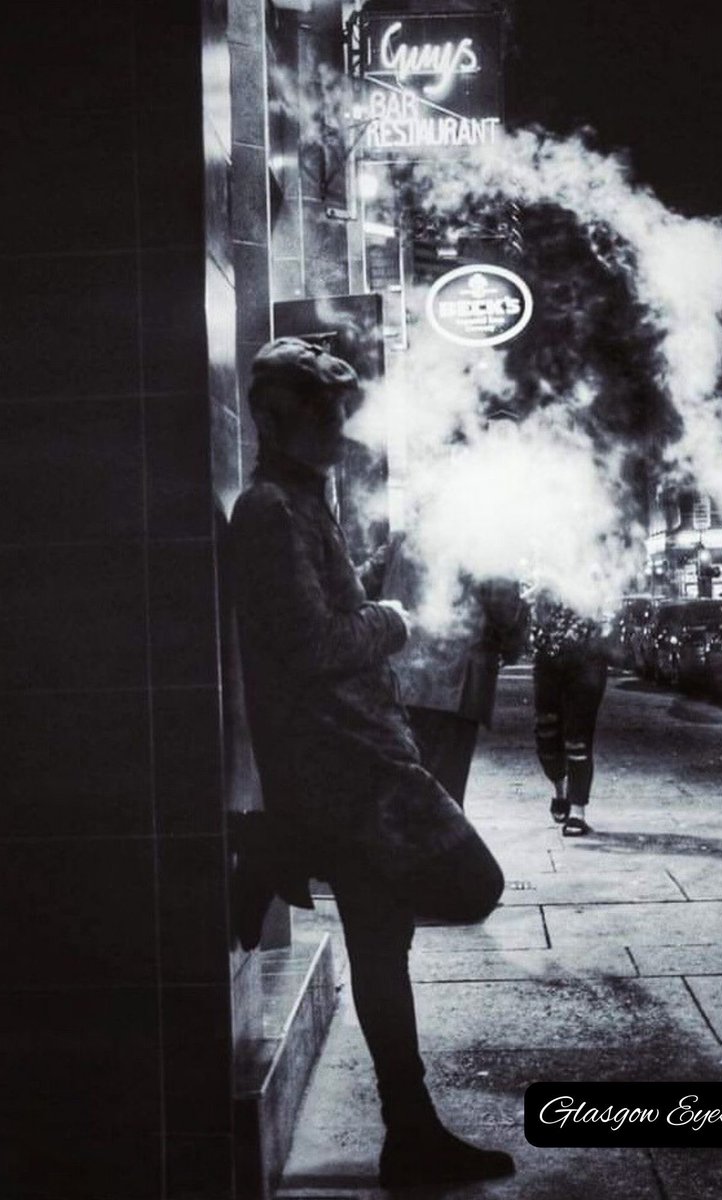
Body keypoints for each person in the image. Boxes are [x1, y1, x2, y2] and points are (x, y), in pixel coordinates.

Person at [228, 337, 514, 1189]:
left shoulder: (307, 502)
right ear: (282, 419)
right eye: (325, 414)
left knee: (383, 949)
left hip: (359, 764)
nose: (341, 429)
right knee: (473, 885)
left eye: (340, 413)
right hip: (349, 773)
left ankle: (412, 1130)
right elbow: (313, 644)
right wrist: (392, 618)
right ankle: (280, 843)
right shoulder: (272, 509)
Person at [372, 537, 529, 807]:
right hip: (455, 688)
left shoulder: (401, 540)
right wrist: (514, 643)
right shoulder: (483, 538)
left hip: (401, 681)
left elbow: (359, 585)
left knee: (407, 789)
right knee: (446, 795)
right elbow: (503, 606)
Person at [531, 590, 609, 836]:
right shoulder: (542, 570)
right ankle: (560, 791)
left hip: (587, 662)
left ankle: (577, 810)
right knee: (547, 734)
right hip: (547, 661)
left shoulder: (595, 567)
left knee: (578, 736)